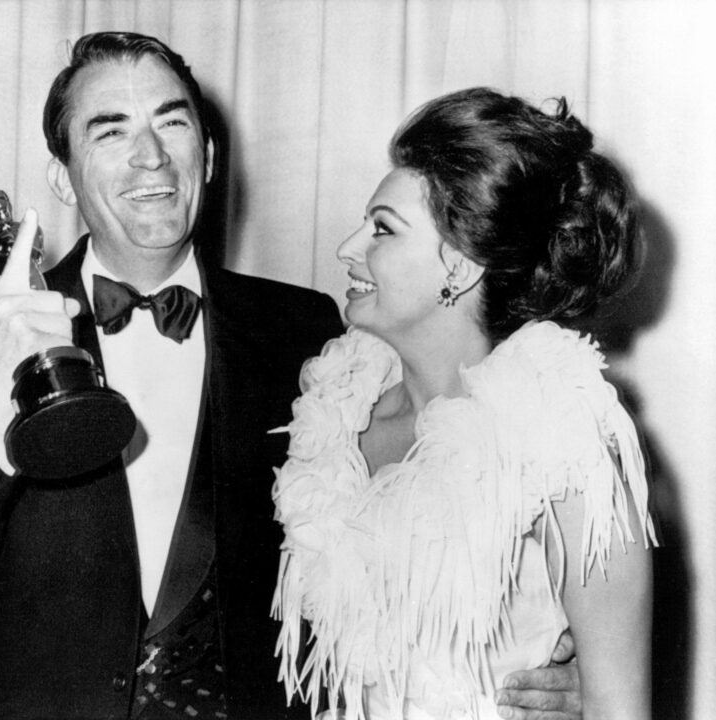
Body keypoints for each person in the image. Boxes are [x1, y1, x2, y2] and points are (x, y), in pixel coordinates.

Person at [0, 32, 582, 719]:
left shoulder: (310, 333)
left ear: (208, 156)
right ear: (61, 175)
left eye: (172, 123)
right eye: (109, 130)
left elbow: (455, 496)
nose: (150, 156)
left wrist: (552, 657)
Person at [272, 87, 656, 720]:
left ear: (461, 266)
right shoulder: (339, 415)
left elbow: (621, 708)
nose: (347, 248)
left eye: (382, 229)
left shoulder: (562, 439)